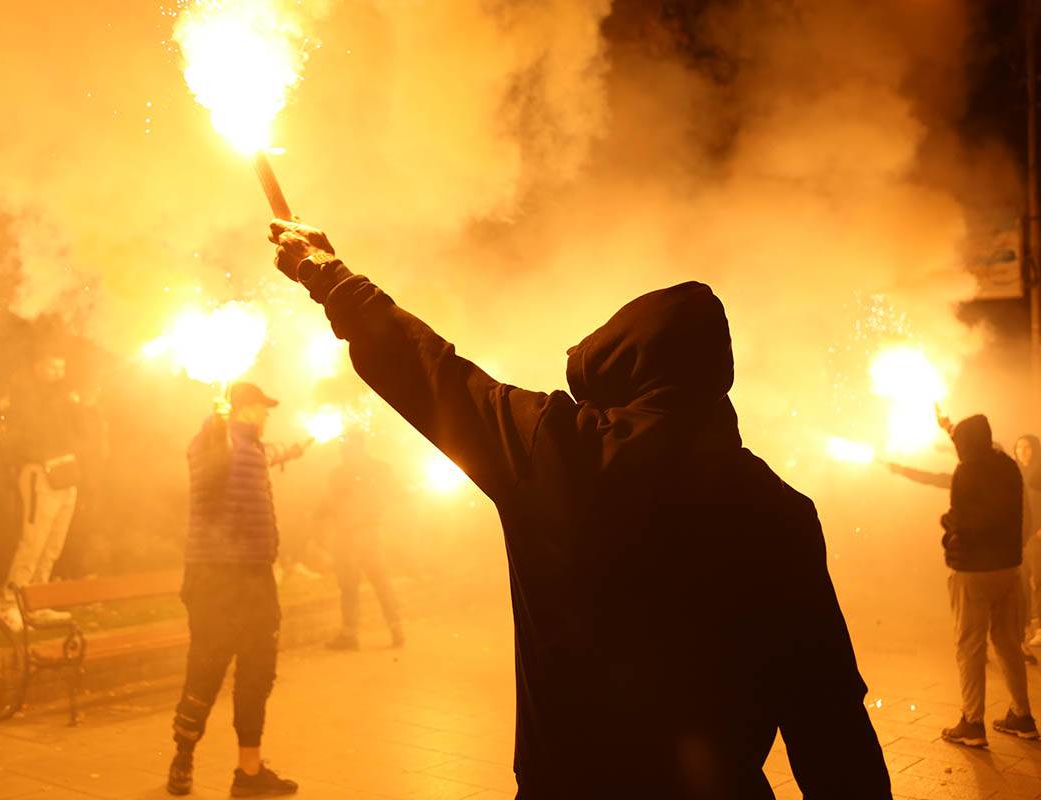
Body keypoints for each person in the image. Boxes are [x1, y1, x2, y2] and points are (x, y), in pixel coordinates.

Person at [270, 221, 891, 798]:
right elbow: (828, 713)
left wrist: (329, 276)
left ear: (625, 364)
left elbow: (432, 373)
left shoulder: (559, 450)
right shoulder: (780, 509)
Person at [167, 382, 311, 798]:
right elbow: (209, 454)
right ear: (244, 409)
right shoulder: (212, 441)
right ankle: (183, 757)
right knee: (206, 669)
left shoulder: (253, 449)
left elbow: (270, 454)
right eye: (262, 409)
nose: (267, 416)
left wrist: (297, 448)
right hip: (216, 577)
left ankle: (249, 772)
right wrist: (217, 420)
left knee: (257, 672)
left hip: (255, 578)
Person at [891, 415, 1037, 745]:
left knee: (969, 647)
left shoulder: (967, 472)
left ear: (966, 444)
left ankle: (973, 722)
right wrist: (949, 427)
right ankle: (1023, 716)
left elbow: (965, 523)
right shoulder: (1008, 466)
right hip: (1009, 570)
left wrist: (948, 524)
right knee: (1008, 644)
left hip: (974, 573)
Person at [0, 351, 84, 630]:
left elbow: (79, 433)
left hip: (66, 476)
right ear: (38, 367)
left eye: (61, 367)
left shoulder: (66, 397)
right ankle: (11, 605)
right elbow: (20, 437)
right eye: (51, 367)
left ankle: (37, 602)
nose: (57, 373)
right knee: (33, 543)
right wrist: (45, 458)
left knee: (52, 547)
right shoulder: (27, 395)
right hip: (41, 475)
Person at [316, 432, 404, 650]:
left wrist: (319, 513)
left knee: (349, 586)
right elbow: (395, 495)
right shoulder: (381, 469)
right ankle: (396, 629)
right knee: (381, 582)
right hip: (372, 533)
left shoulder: (339, 473)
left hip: (349, 535)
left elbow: (330, 503)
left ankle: (350, 635)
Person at [1015, 435, 1041, 646]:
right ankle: (1026, 628)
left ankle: (1039, 627)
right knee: (1022, 581)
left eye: (1028, 447)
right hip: (1020, 537)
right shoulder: (1013, 473)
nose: (1023, 451)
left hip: (1037, 535)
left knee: (1038, 579)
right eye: (1019, 447)